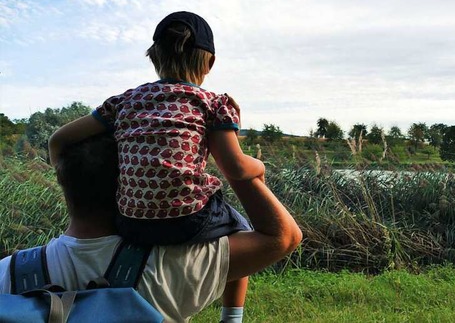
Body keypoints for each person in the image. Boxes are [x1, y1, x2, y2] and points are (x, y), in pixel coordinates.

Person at [47, 11, 266, 319]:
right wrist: (260, 166)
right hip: (188, 219)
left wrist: (62, 174)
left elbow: (59, 140)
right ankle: (232, 316)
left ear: (153, 56)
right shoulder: (213, 103)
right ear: (210, 63)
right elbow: (237, 168)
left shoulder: (124, 101)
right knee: (241, 230)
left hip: (130, 221)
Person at [0, 133, 302, 322]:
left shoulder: (7, 273)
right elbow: (284, 236)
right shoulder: (175, 264)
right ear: (131, 186)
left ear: (64, 183)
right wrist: (235, 166)